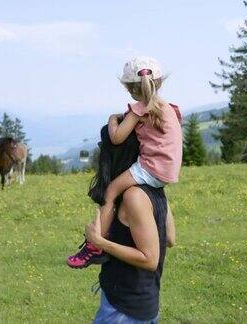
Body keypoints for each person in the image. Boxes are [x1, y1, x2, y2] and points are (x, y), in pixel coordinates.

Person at [67, 57, 182, 268]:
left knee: (111, 192)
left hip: (151, 168)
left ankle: (95, 245)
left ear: (130, 89)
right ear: (159, 83)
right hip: (168, 170)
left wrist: (113, 119)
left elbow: (117, 137)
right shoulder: (169, 108)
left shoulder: (139, 108)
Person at [84, 123, 176, 323]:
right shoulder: (154, 189)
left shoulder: (133, 196)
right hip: (143, 302)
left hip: (124, 310)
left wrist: (100, 243)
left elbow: (150, 259)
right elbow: (169, 237)